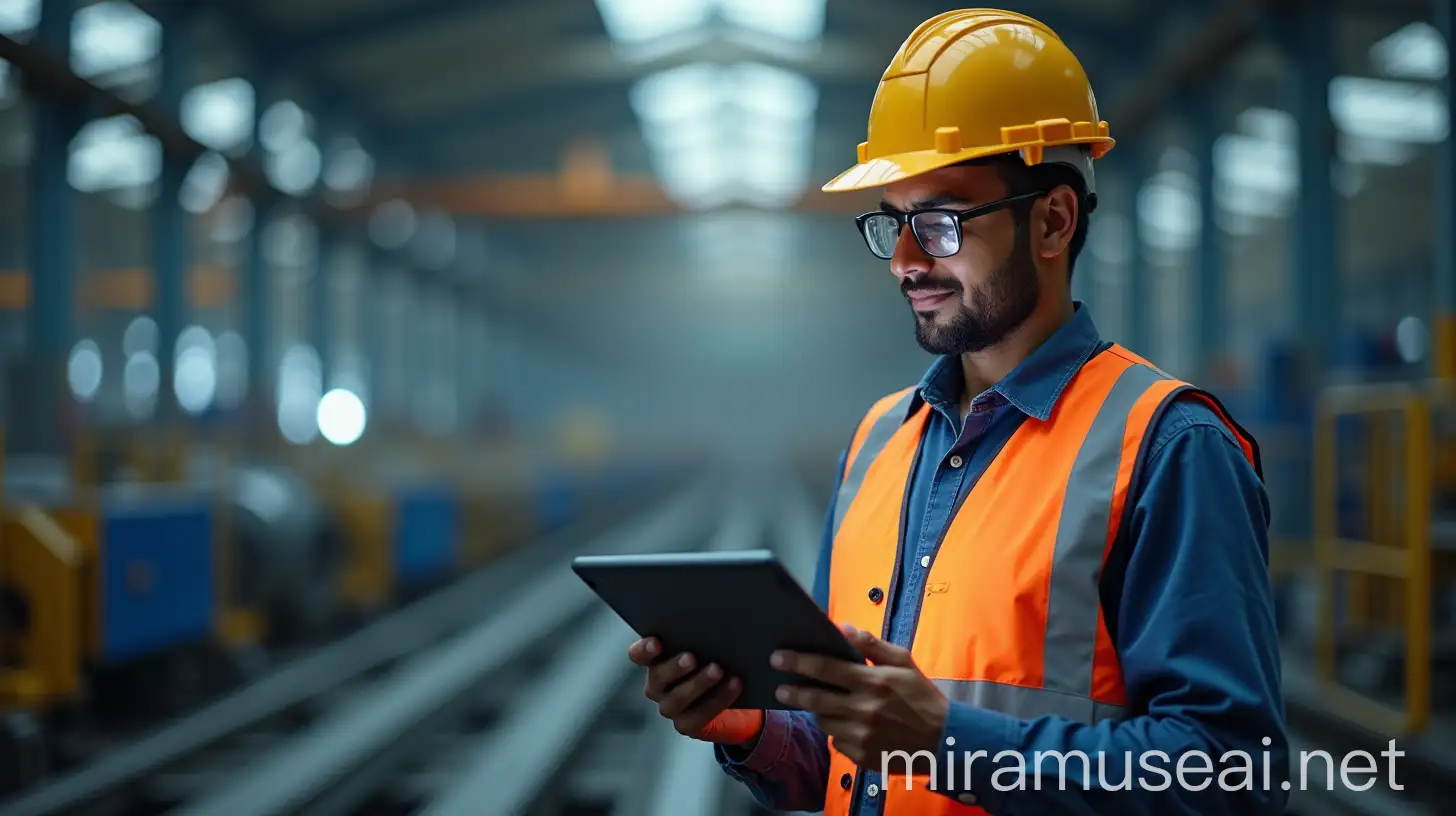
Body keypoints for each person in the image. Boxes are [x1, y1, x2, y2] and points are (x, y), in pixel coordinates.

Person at [626, 8, 1288, 815]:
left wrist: (948, 743)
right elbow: (850, 759)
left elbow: (1228, 775)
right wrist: (752, 728)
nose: (906, 260)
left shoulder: (1166, 446)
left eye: (939, 222)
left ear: (1053, 220)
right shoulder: (880, 441)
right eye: (892, 223)